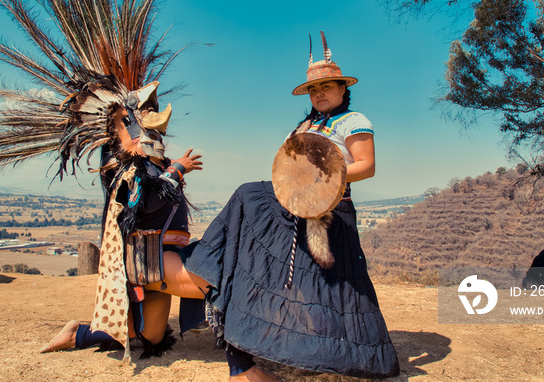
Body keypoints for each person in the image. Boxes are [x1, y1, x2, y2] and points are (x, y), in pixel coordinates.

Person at [180, 32, 400, 380]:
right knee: (250, 205)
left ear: (343, 88)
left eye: (327, 87)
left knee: (330, 289)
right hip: (292, 210)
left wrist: (324, 181)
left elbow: (366, 166)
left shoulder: (353, 121)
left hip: (331, 212)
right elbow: (285, 170)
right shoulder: (302, 126)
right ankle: (213, 274)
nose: (319, 93)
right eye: (315, 89)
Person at [41, 91, 209, 358]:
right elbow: (144, 203)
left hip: (165, 254)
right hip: (150, 255)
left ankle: (78, 334)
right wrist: (176, 170)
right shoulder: (121, 165)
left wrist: (169, 170)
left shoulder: (152, 164)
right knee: (209, 282)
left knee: (151, 335)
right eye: (133, 121)